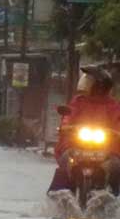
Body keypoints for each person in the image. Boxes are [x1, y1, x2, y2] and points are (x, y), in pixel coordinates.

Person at [48, 66, 120, 195]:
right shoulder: (78, 101)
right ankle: (57, 196)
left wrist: (116, 132)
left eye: (89, 81)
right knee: (65, 160)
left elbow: (118, 121)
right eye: (85, 80)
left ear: (100, 86)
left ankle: (114, 196)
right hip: (77, 144)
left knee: (115, 165)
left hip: (106, 147)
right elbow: (69, 117)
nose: (85, 84)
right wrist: (65, 127)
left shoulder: (113, 106)